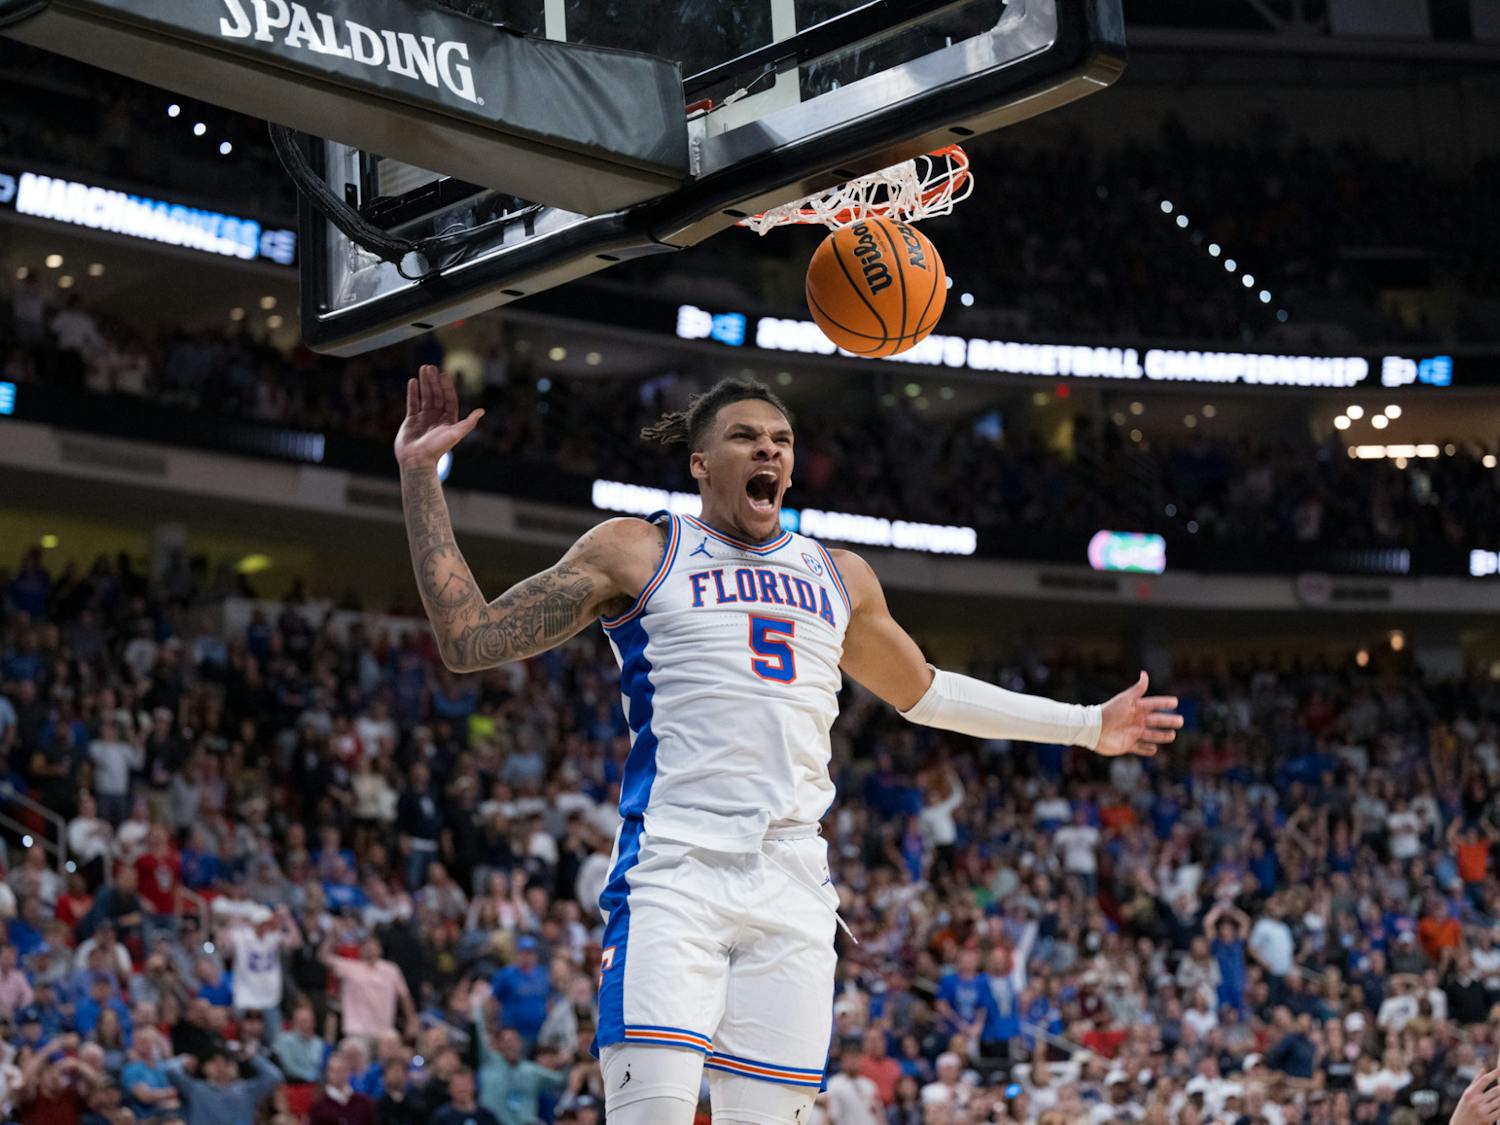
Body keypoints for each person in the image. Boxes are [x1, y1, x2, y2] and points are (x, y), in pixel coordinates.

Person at [395, 367, 1182, 1125]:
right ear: (701, 463)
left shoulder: (840, 576)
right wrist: (422, 476)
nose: (769, 450)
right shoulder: (637, 549)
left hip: (795, 886)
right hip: (676, 874)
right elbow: (470, 640)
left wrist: (1088, 724)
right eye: (745, 437)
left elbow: (930, 692)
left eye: (781, 438)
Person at [164, 1046, 282, 1125]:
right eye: (214, 1062)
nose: (221, 1066)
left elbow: (274, 1077)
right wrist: (184, 1060)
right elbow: (169, 1070)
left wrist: (252, 1057)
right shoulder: (195, 1088)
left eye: (225, 1061)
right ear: (204, 1068)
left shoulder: (246, 1090)